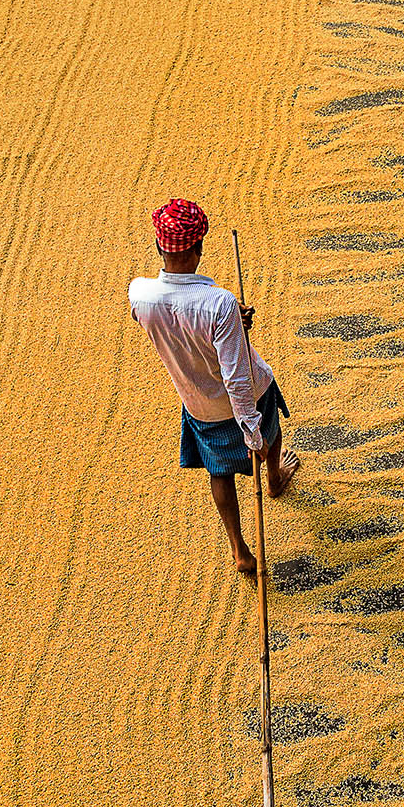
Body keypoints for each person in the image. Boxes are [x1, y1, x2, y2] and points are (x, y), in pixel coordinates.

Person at [130, 198, 297, 576]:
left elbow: (171, 321)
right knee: (271, 433)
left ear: (159, 246)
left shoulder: (140, 294)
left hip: (199, 404)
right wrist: (251, 432)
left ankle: (240, 550)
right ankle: (274, 478)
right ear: (198, 248)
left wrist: (231, 324)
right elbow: (236, 376)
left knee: (219, 472)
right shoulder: (219, 303)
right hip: (247, 398)